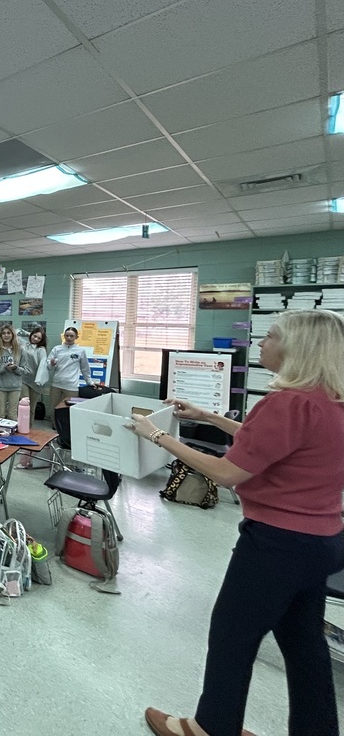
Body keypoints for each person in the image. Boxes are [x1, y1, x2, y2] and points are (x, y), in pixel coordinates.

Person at [126, 309, 344, 736]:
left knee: (232, 637)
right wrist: (208, 417)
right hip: (323, 542)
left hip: (276, 545)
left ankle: (211, 727)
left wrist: (157, 436)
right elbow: (267, 444)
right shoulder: (330, 402)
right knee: (304, 646)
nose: (261, 342)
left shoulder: (285, 403)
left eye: (272, 336)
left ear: (297, 348)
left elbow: (227, 472)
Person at [17, 325, 48, 467]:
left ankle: (27, 433)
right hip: (24, 380)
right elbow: (16, 332)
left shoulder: (41, 350)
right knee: (24, 405)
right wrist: (30, 332)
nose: (35, 339)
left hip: (36, 383)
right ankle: (21, 433)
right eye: (34, 336)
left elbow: (42, 366)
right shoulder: (25, 344)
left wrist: (39, 381)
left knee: (32, 409)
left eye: (39, 338)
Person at [47, 326, 95, 414]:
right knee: (54, 407)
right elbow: (48, 365)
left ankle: (67, 427)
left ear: (76, 337)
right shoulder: (57, 349)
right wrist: (51, 363)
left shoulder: (80, 351)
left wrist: (90, 382)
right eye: (67, 335)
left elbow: (85, 368)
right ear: (64, 336)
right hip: (56, 384)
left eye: (71, 336)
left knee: (69, 409)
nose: (69, 338)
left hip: (71, 386)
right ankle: (55, 425)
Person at [0, 325, 27, 420]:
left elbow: (24, 370)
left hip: (15, 386)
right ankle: (0, 434)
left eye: (8, 333)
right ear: (0, 335)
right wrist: (3, 367)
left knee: (12, 414)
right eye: (4, 333)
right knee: (0, 414)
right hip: (0, 386)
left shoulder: (20, 349)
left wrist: (15, 368)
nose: (6, 335)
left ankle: (11, 434)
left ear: (12, 335)